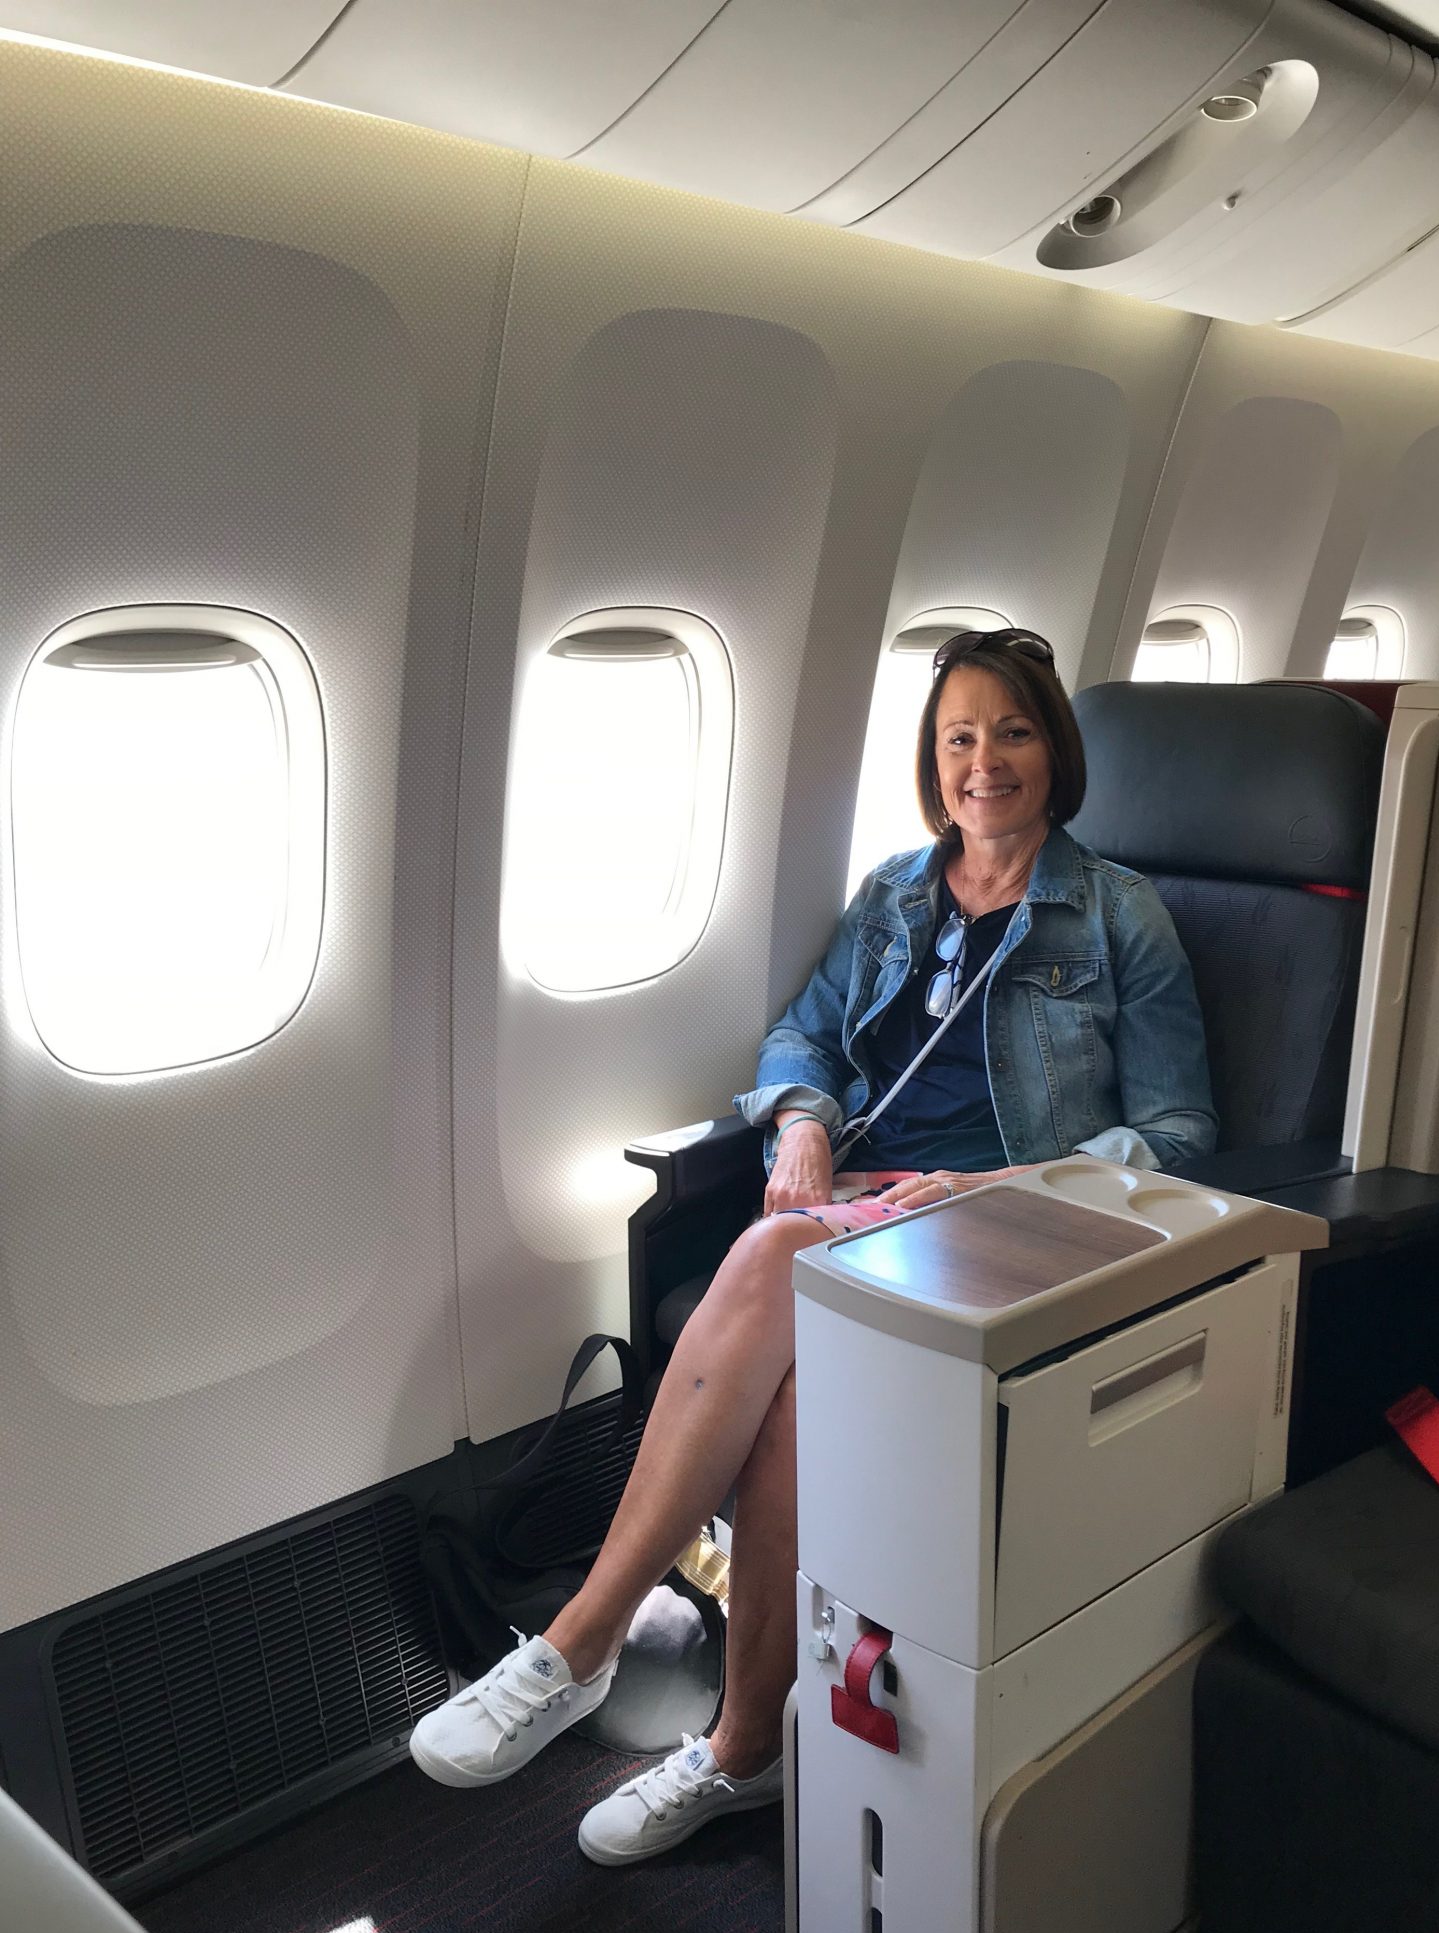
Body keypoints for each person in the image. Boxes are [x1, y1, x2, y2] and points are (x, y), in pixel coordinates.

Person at [409, 626, 1216, 1863]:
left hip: (1009, 1233)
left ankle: (580, 1642)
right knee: (784, 1395)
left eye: (1009, 732)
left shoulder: (1118, 916)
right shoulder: (896, 892)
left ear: (1052, 752)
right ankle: (747, 1752)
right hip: (870, 1210)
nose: (981, 761)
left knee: (763, 1259)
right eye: (957, 737)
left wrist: (1005, 1184)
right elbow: (803, 1036)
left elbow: (1177, 1130)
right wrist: (799, 1124)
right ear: (930, 760)